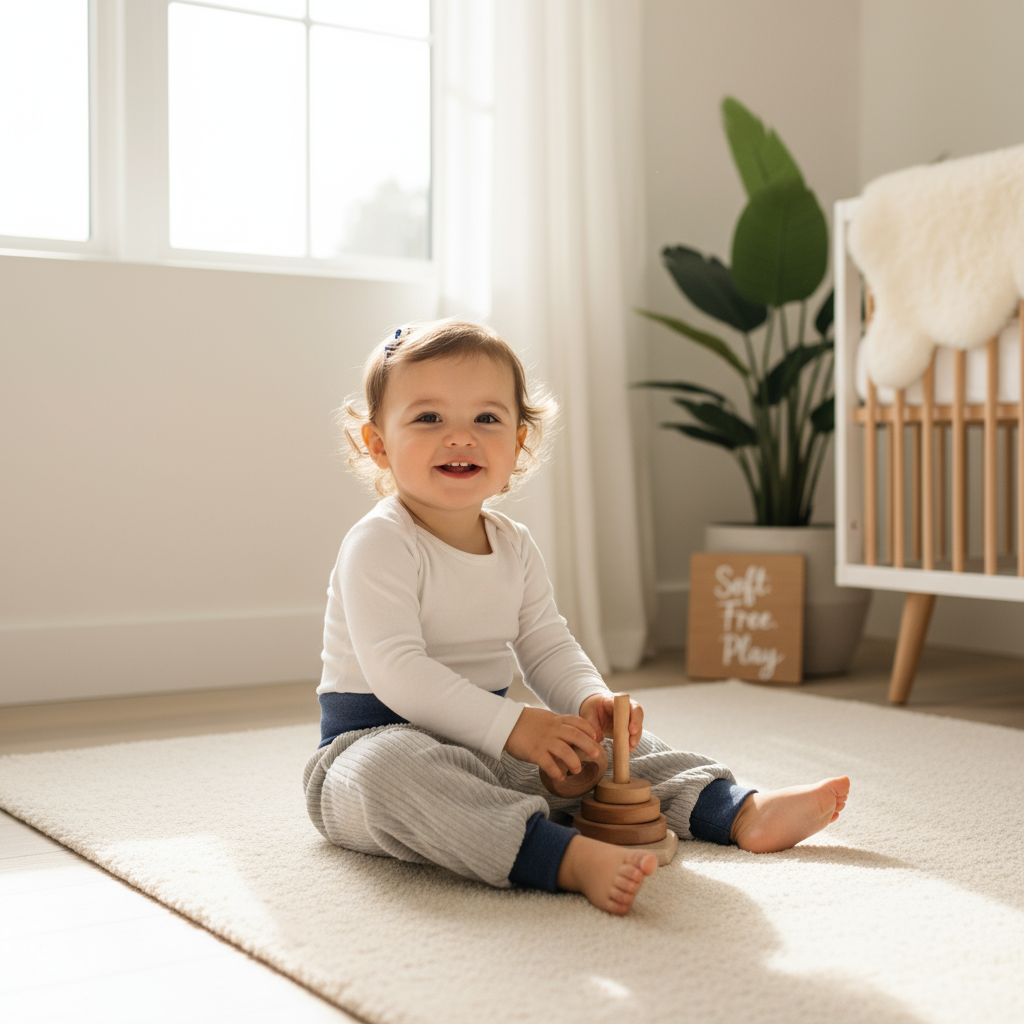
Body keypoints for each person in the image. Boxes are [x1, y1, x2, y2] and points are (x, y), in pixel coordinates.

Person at [302, 318, 850, 915]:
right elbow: (398, 671)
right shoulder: (380, 542)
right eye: (428, 418)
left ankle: (736, 809)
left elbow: (546, 645)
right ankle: (559, 855)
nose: (460, 437)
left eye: (486, 419)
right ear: (379, 443)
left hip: (491, 745)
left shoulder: (513, 544)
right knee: (395, 774)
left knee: (613, 754)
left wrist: (589, 702)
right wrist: (516, 727)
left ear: (518, 445)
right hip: (372, 744)